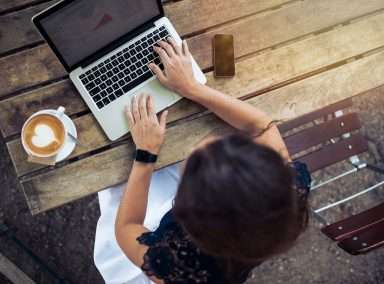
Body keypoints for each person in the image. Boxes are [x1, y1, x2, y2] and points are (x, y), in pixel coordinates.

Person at [94, 38, 311, 284]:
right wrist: (192, 88)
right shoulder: (287, 192)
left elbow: (127, 227)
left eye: (195, 164)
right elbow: (262, 127)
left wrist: (145, 154)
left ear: (186, 211)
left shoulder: (177, 264)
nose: (199, 146)